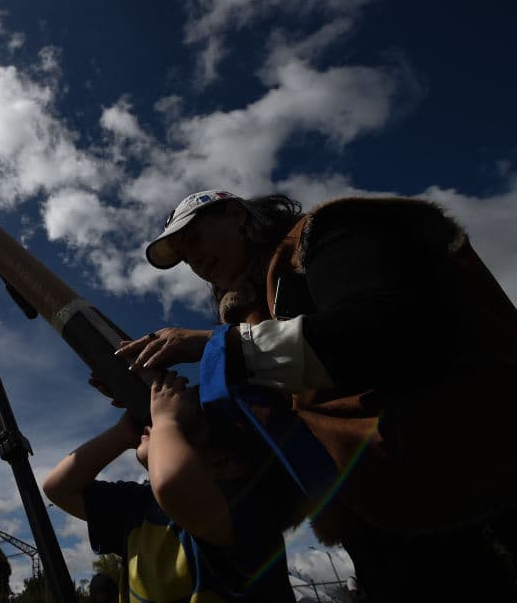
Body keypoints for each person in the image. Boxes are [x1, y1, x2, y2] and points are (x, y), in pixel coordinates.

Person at [118, 189, 517, 600]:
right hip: (382, 511)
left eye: (195, 239)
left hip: (480, 468)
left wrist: (216, 345)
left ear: (236, 214)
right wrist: (154, 396)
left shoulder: (325, 233)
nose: (194, 261)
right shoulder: (255, 312)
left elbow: (388, 329)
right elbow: (266, 418)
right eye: (185, 257)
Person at [43, 369, 297, 602]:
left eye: (184, 425)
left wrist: (166, 420)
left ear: (226, 464)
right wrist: (124, 432)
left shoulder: (249, 515)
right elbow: (59, 488)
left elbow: (172, 484)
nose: (156, 423)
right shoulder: (138, 505)